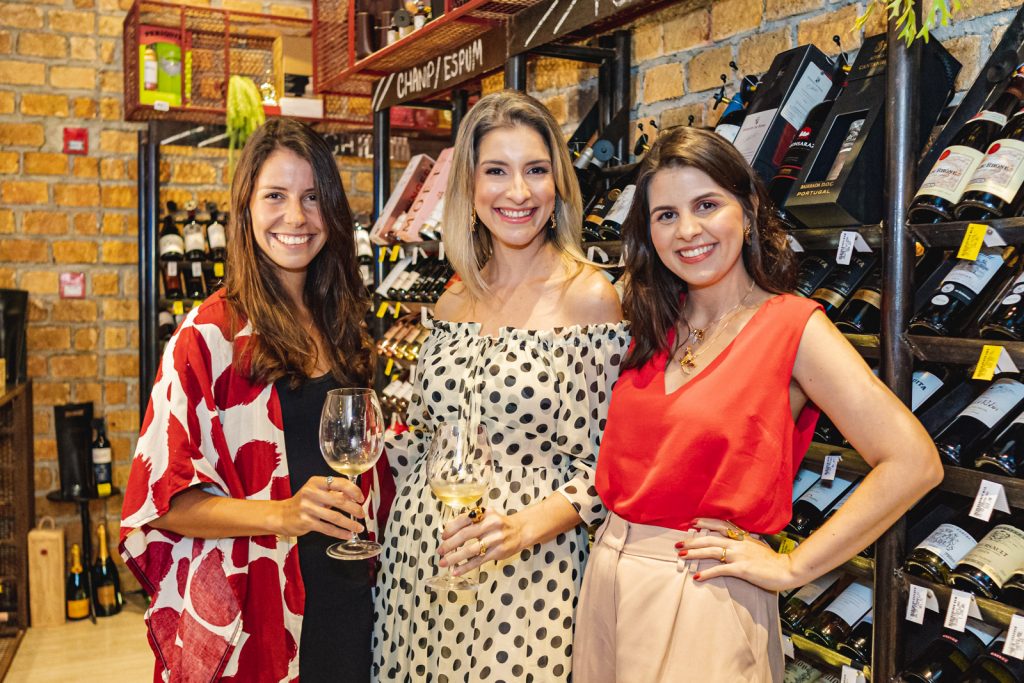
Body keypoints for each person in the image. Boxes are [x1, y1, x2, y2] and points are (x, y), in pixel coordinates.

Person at [572, 126, 943, 682]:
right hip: (609, 580)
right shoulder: (651, 323)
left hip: (702, 593)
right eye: (666, 215)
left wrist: (794, 566)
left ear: (746, 210)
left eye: (706, 205)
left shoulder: (792, 326)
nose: (687, 230)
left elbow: (913, 461)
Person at [120, 118, 391, 683]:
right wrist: (283, 514)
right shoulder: (209, 336)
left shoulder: (339, 322)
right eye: (275, 196)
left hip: (349, 598)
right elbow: (160, 501)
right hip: (259, 615)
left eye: (312, 197)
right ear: (245, 208)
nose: (296, 217)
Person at [372, 90, 627, 681]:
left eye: (535, 170)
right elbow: (429, 439)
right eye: (496, 171)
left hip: (529, 576)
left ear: (558, 184)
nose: (518, 192)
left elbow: (612, 465)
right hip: (422, 560)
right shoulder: (453, 299)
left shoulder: (588, 297)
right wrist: (357, 460)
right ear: (469, 185)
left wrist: (521, 528)